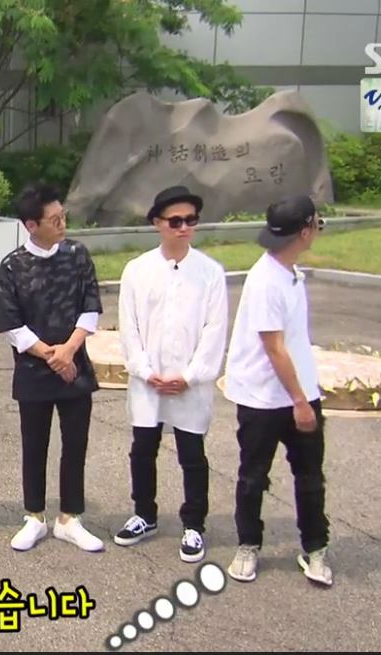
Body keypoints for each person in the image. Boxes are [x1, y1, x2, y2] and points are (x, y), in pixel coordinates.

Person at [112, 186, 229, 564]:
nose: (183, 228)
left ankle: (194, 524)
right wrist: (145, 371)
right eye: (175, 221)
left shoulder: (210, 273)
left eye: (190, 221)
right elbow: (129, 327)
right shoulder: (137, 270)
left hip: (189, 384)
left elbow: (215, 330)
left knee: (192, 453)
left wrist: (191, 376)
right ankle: (144, 514)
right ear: (157, 223)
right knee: (143, 449)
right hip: (148, 382)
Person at [222, 194, 332, 587]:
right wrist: (300, 403)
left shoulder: (290, 273)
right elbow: (274, 348)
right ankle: (248, 545)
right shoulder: (266, 280)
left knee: (310, 477)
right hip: (264, 398)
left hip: (301, 391)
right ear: (304, 231)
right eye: (317, 223)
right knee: (253, 477)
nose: (318, 229)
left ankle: (315, 548)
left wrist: (306, 393)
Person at [0, 183, 106, 553]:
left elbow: (90, 307)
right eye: (54, 219)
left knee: (75, 444)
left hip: (75, 367)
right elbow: (11, 325)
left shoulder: (77, 255)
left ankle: (70, 518)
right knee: (34, 444)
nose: (62, 224)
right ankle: (35, 516)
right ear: (31, 225)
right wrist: (52, 356)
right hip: (34, 370)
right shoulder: (12, 266)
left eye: (63, 216)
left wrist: (69, 351)